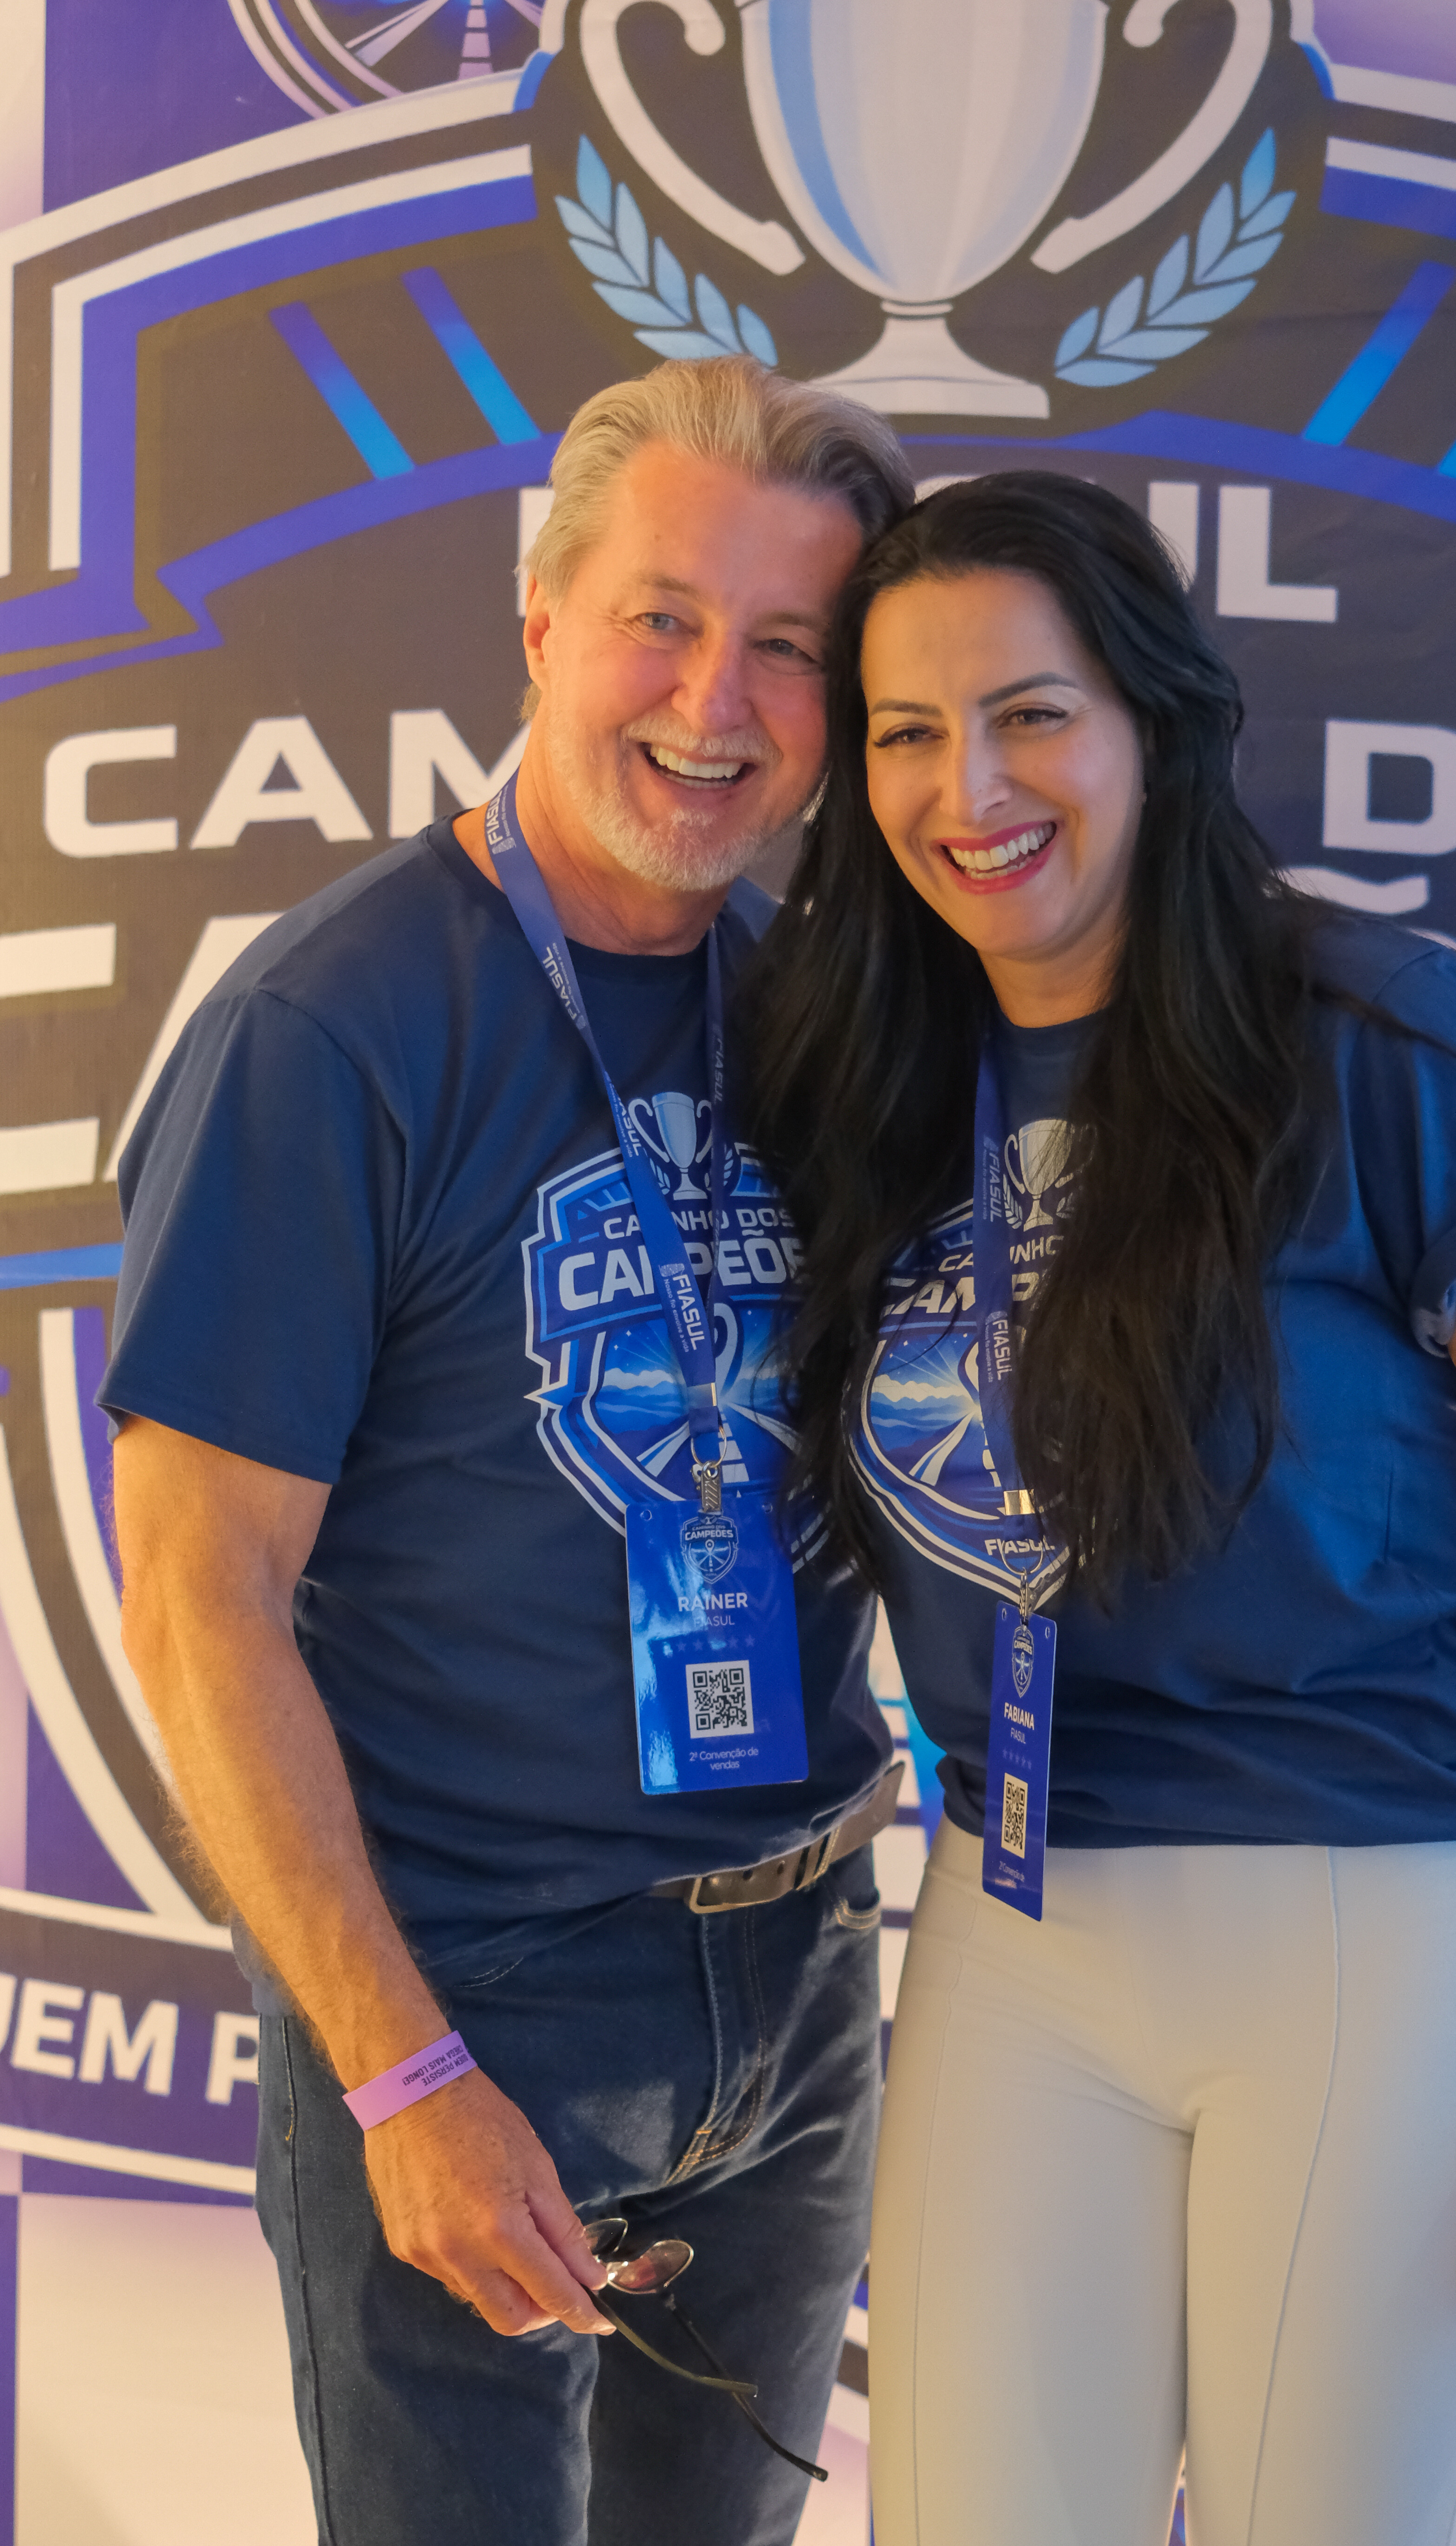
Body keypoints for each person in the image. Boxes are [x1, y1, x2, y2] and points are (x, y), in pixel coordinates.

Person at [740, 472, 1456, 2546]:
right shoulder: (871, 1080)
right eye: (907, 732)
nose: (970, 790)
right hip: (1015, 1925)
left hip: (1384, 1919)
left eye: (1032, 715)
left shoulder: (1363, 1028)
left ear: (1157, 726)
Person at [103, 357, 914, 2546]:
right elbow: (195, 1593)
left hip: (804, 1970)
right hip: (476, 1987)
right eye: (664, 617)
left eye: (789, 648)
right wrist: (400, 2069)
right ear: (541, 620)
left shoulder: (822, 1010)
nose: (716, 702)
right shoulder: (328, 1026)